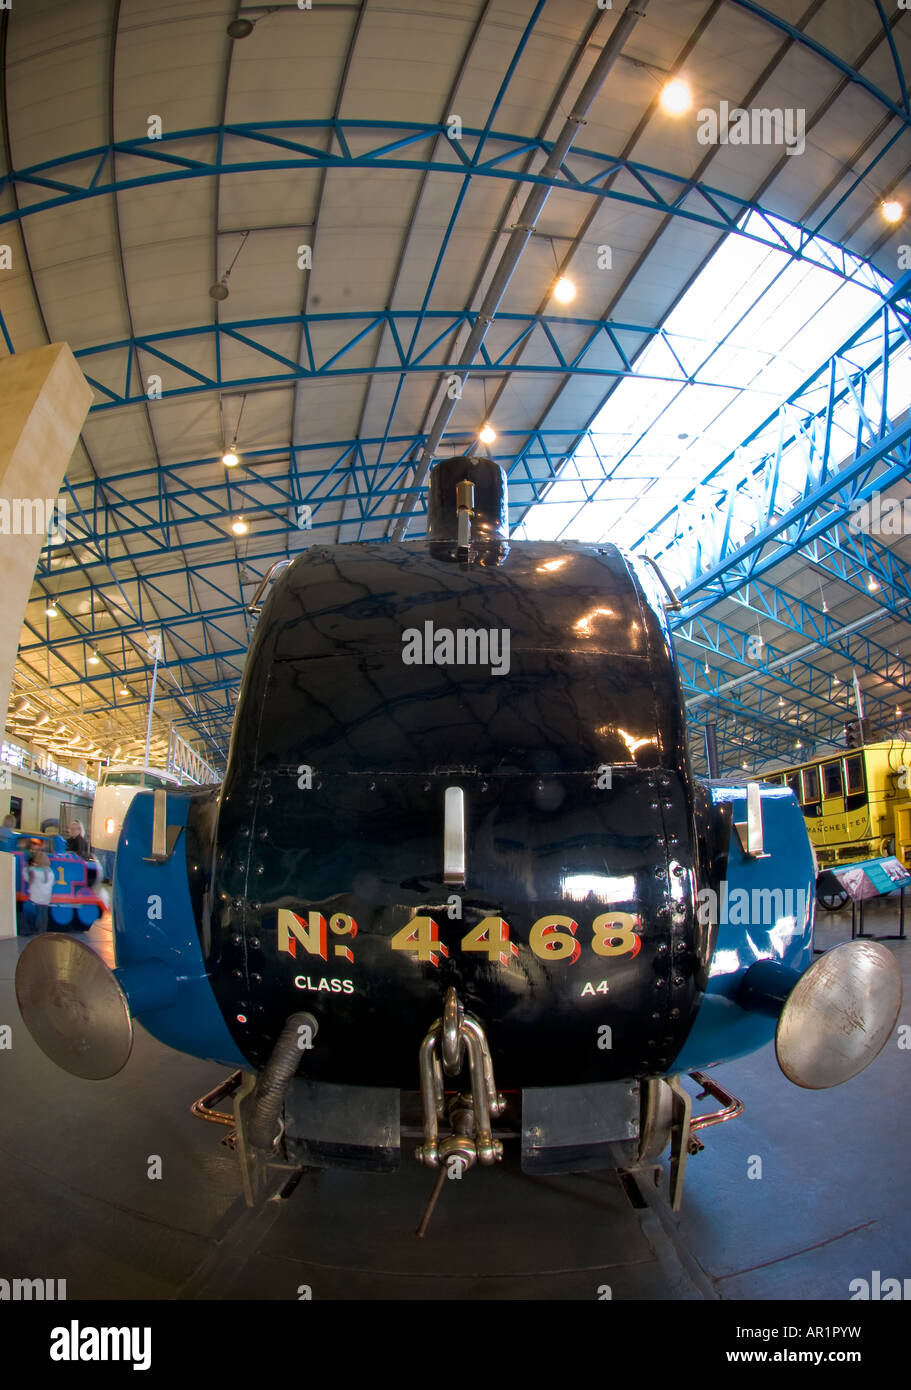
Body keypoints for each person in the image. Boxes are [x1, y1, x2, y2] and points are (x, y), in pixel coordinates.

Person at [23, 851, 54, 935]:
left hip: (36, 896)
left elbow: (27, 879)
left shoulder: (33, 871)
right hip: (46, 896)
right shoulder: (50, 871)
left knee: (35, 913)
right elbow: (51, 883)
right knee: (44, 914)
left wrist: (27, 868)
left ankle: (33, 931)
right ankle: (42, 931)